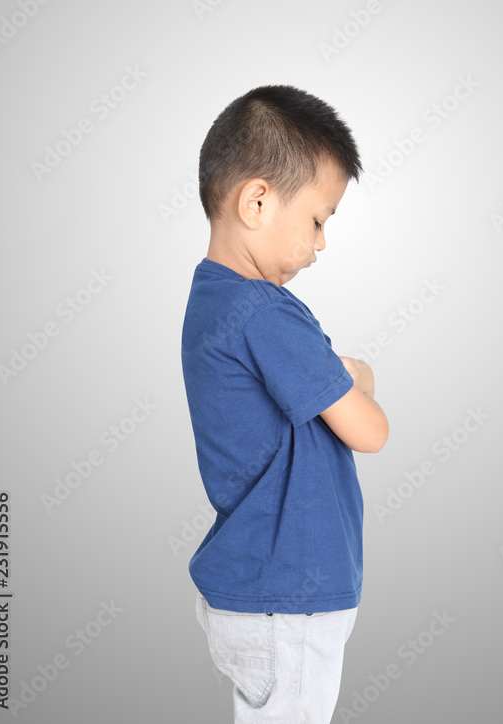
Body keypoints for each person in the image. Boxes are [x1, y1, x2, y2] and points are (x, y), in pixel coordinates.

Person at [181, 84, 388, 723]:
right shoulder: (264, 313)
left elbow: (337, 390)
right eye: (319, 220)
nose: (321, 244)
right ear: (258, 201)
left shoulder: (215, 301)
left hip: (264, 596)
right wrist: (355, 375)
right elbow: (370, 428)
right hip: (287, 598)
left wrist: (345, 376)